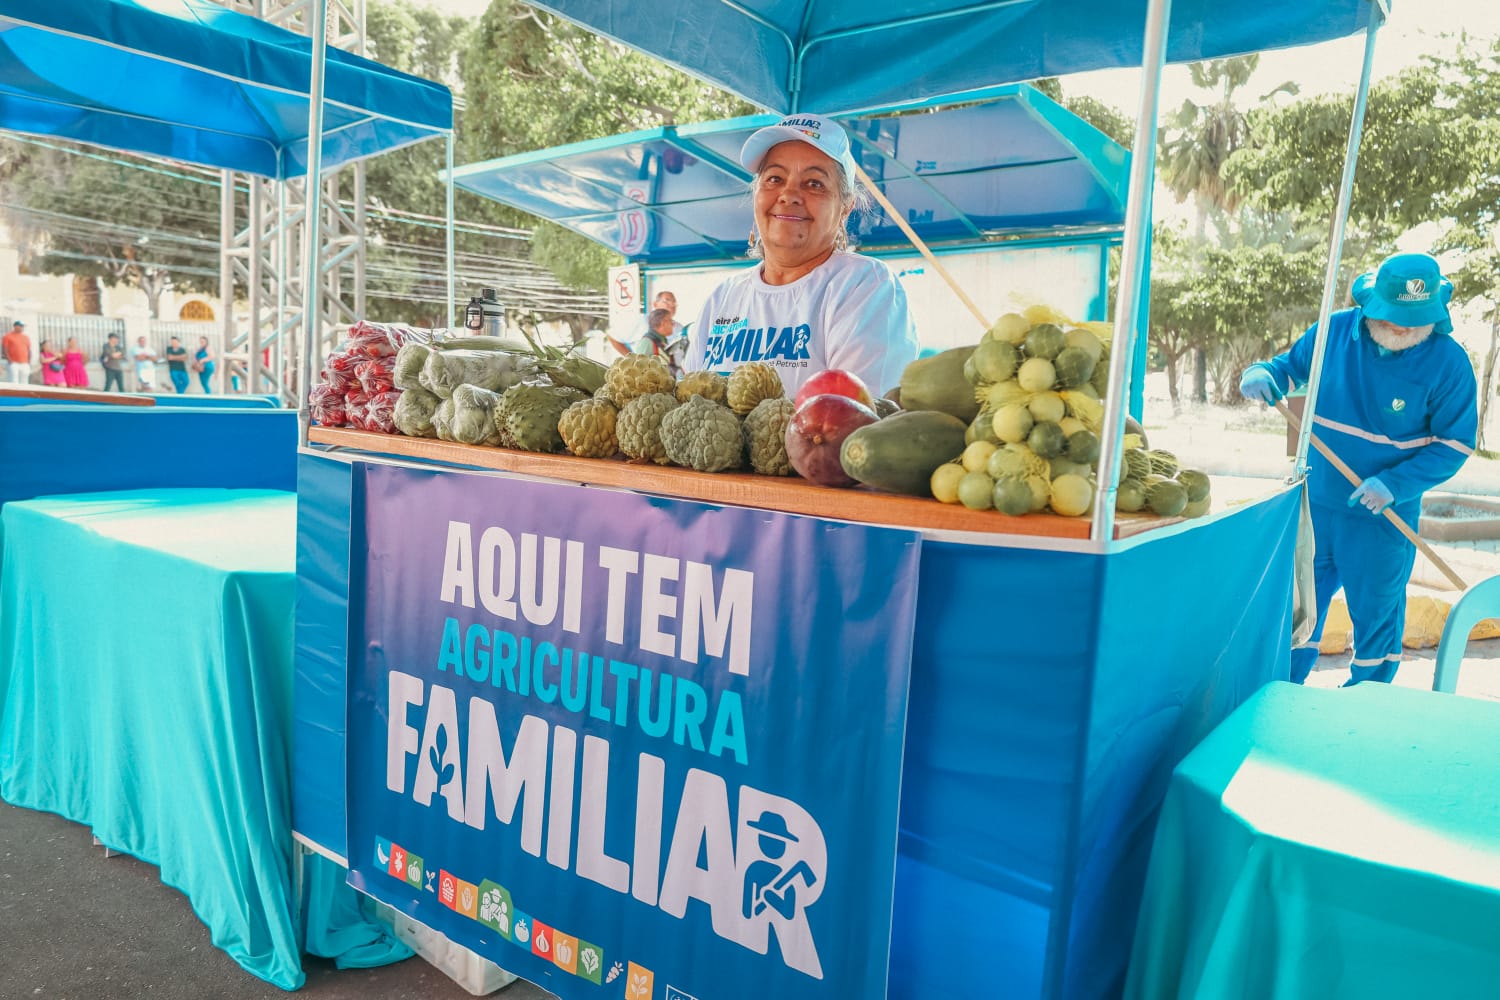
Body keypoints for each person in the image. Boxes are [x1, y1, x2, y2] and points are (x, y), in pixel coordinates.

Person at [1239, 252, 1477, 686]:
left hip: (1383, 516)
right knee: (1299, 610)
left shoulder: (1450, 364)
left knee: (1377, 617)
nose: (1400, 327)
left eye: (1412, 319)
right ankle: (1283, 693)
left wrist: (1394, 483)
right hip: (1315, 506)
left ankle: (1365, 701)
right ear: (1371, 304)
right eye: (1391, 316)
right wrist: (1263, 373)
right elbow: (1288, 370)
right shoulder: (1333, 332)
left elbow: (1455, 445)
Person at [684, 113, 918, 396]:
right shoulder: (723, 298)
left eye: (814, 183)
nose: (789, 194)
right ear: (756, 194)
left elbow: (858, 414)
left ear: (845, 207)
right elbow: (690, 402)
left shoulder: (864, 285)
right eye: (774, 178)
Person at [634, 307, 688, 378]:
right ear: (663, 323)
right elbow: (639, 369)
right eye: (670, 321)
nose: (673, 324)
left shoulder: (661, 341)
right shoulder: (647, 342)